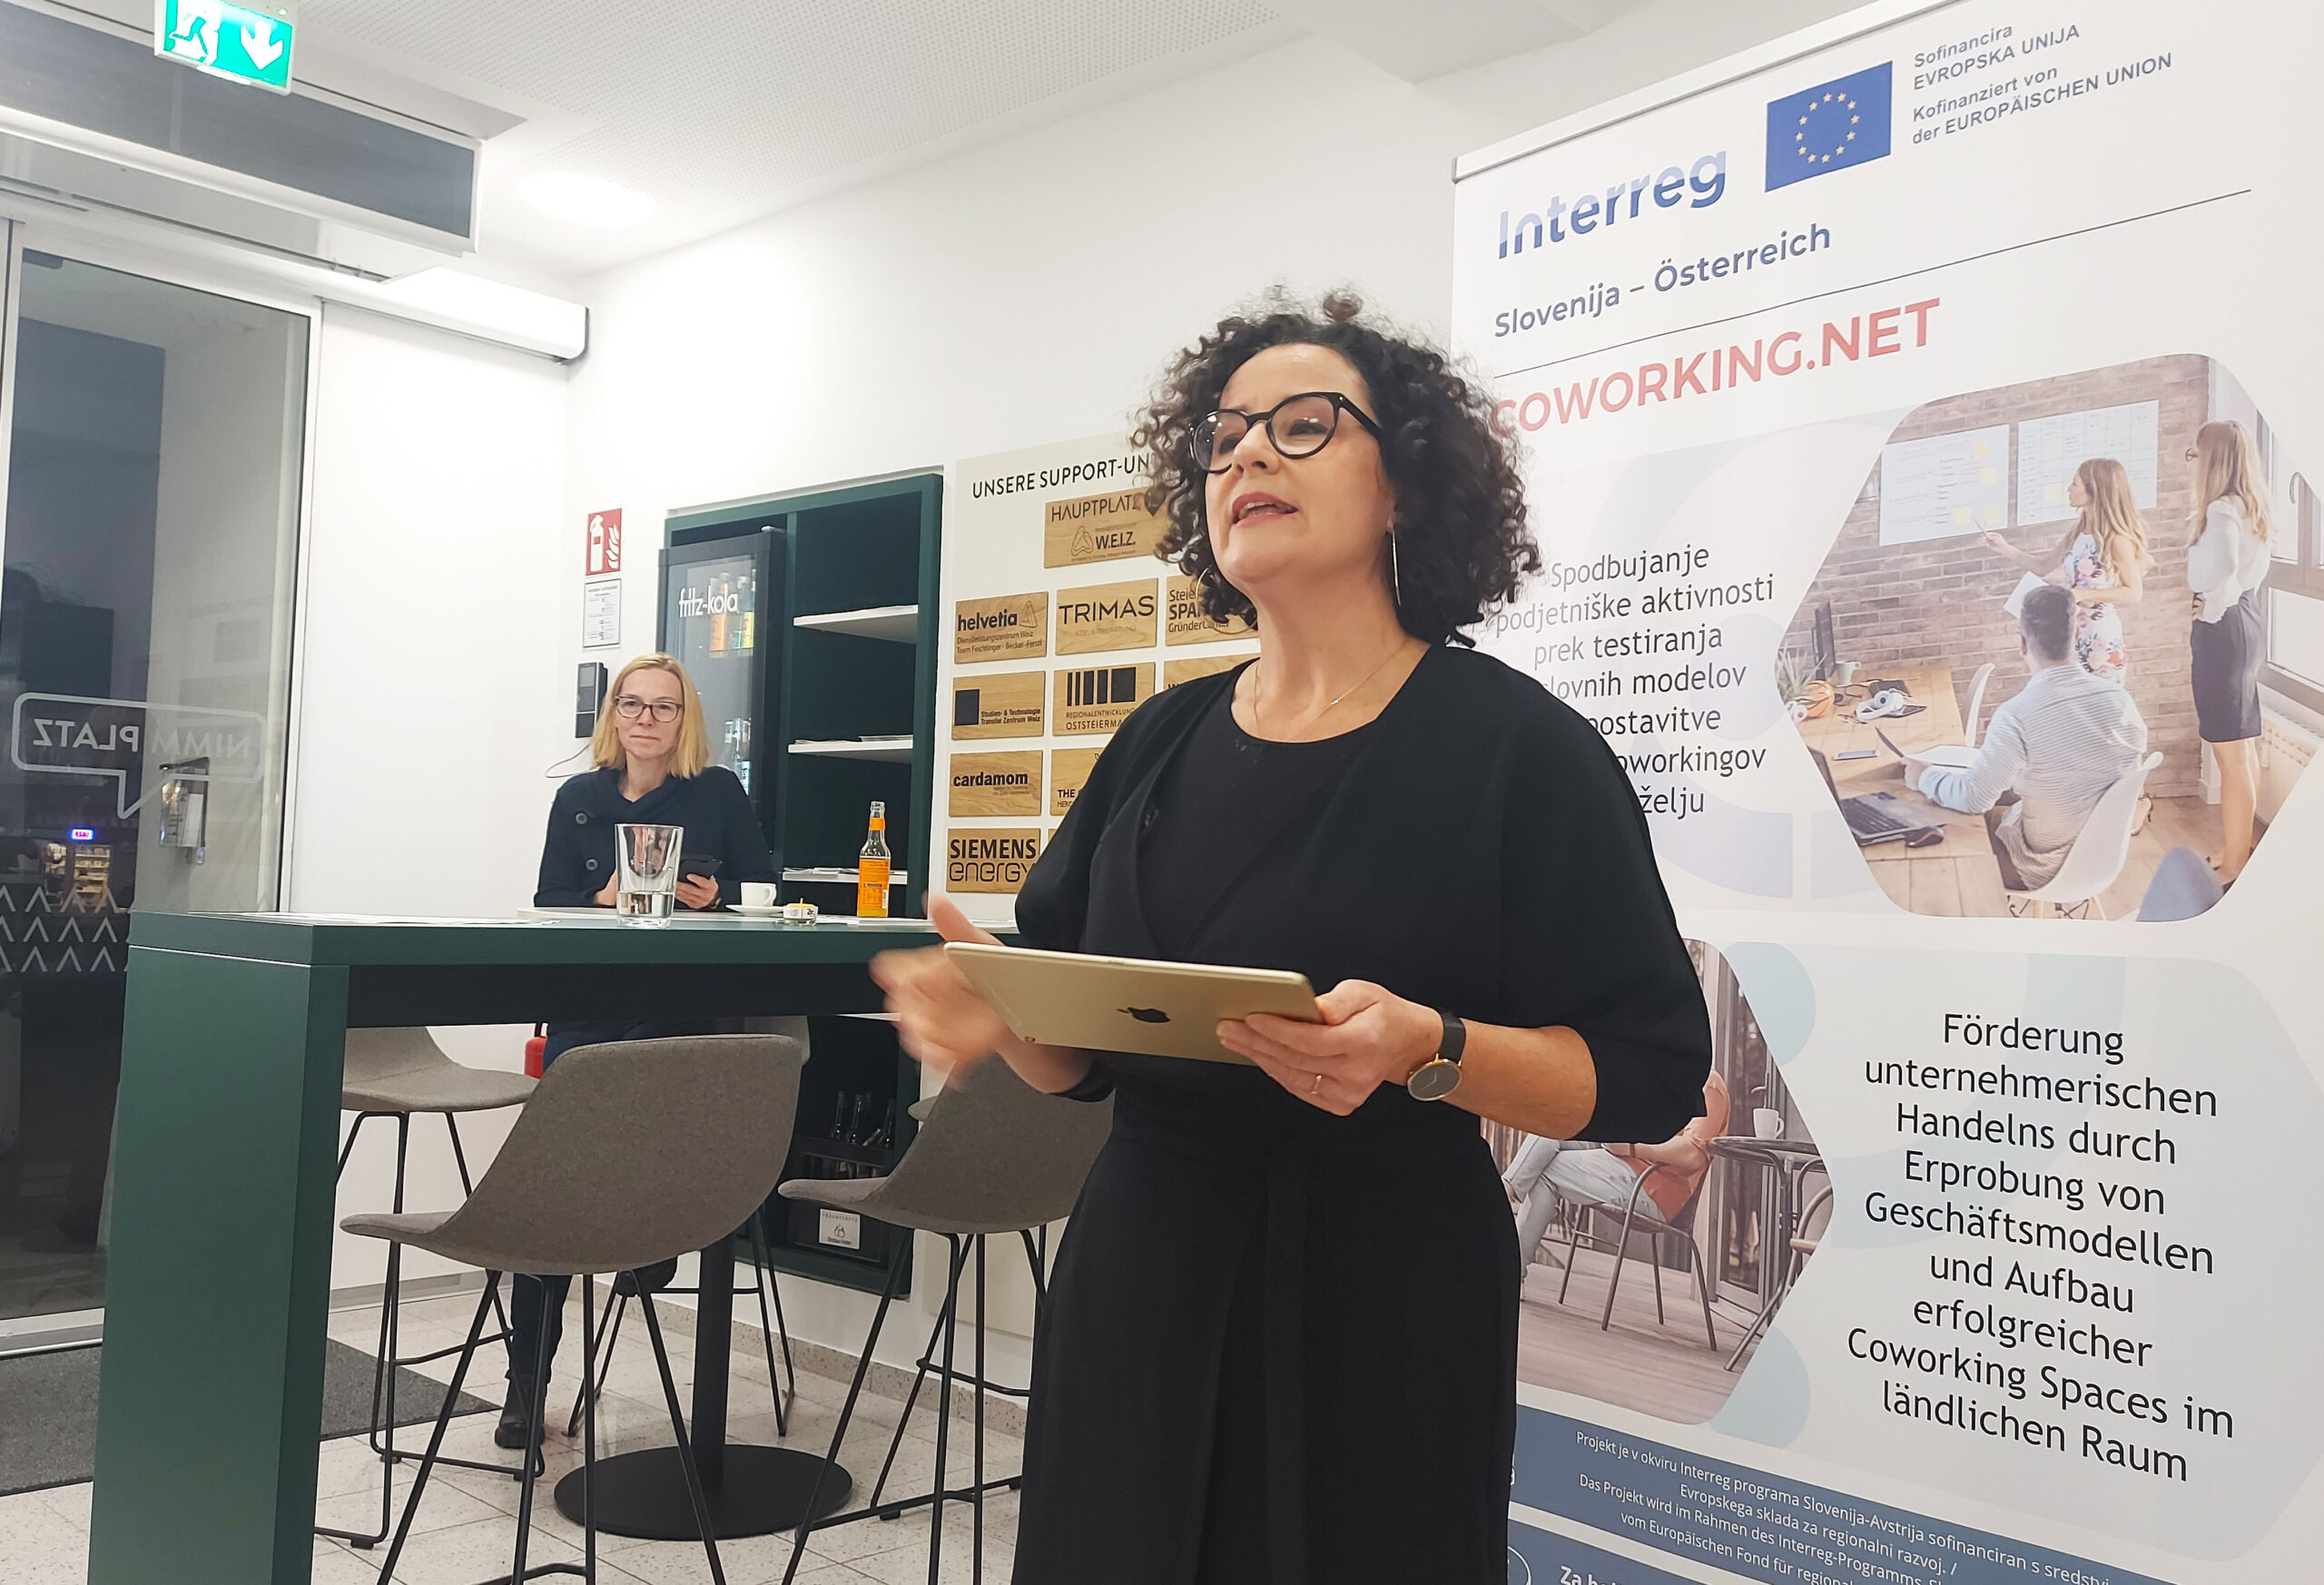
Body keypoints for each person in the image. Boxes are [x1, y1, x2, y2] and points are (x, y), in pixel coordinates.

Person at [873, 292, 1711, 1585]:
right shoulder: (1159, 741)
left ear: (1404, 486)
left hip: (1381, 1300)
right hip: (1141, 1277)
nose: (1250, 453)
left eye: (1304, 424)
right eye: (1225, 438)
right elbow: (1079, 1060)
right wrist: (999, 1014)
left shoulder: (1518, 750)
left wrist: (1431, 1048)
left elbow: (1649, 1072)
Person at [504, 652, 775, 1448]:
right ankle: (527, 1385)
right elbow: (548, 899)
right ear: (613, 715)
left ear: (685, 718)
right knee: (549, 1191)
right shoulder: (578, 799)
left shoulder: (716, 792)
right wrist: (603, 895)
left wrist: (717, 897)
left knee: (633, 1096)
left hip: (678, 1008)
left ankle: (644, 1231)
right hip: (587, 1006)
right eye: (632, 704)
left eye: (664, 706)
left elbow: (765, 886)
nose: (647, 719)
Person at [1906, 584, 2147, 892]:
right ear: (2076, 634)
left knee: (1943, 824)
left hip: (2041, 867)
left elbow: (1974, 799)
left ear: (2022, 643)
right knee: (1999, 801)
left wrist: (1923, 776)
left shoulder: (2017, 714)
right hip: (2103, 859)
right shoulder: (2120, 701)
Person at [1505, 1070, 1729, 1269]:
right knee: (1553, 1128)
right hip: (1621, 1161)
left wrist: (1632, 1147)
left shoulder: (1707, 1084)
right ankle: (1506, 1189)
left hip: (1651, 1187)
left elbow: (1692, 1154)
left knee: (1547, 1171)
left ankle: (1511, 1271)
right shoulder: (1661, 1074)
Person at [2183, 419, 2272, 882]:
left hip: (2224, 632)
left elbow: (2226, 566)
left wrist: (2211, 608)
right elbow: (2245, 572)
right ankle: (2238, 845)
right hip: (2247, 623)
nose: (2191, 462)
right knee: (2242, 749)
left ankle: (2236, 864)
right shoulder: (2250, 505)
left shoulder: (2220, 509)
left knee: (2229, 756)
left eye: (2194, 454)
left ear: (2212, 460)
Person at [1981, 458, 2151, 684]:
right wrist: (2004, 548)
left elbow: (2133, 592)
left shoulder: (2116, 539)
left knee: (2099, 699)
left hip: (2100, 637)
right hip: (2072, 634)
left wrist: (2081, 594)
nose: (2068, 489)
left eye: (2075, 483)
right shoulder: (2077, 532)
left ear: (2094, 490)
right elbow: (2042, 566)